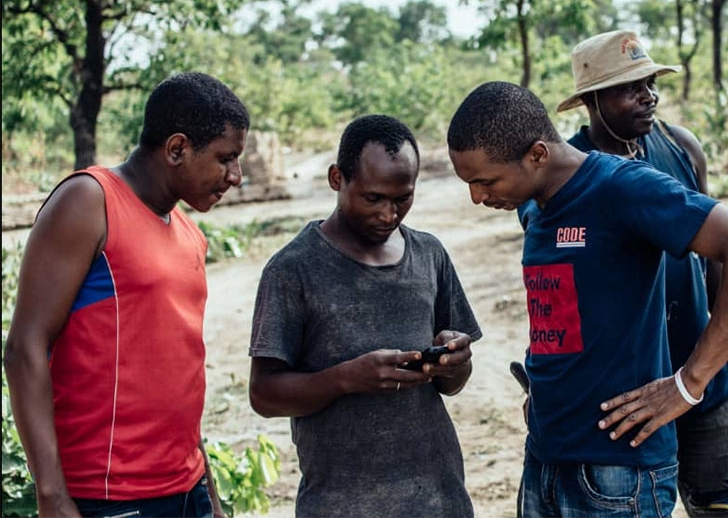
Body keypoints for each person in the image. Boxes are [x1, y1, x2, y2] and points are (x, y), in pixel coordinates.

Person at [447, 81, 728, 517]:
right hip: (547, 456)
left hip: (619, 473)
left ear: (537, 155)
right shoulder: (534, 205)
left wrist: (689, 383)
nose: (477, 198)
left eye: (485, 181)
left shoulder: (621, 187)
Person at [533, 29, 728, 516]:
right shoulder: (564, 175)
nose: (648, 97)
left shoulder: (680, 148)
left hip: (697, 373)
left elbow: (716, 260)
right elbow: (555, 294)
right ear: (591, 101)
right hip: (623, 400)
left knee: (718, 504)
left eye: (650, 83)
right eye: (629, 88)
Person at [3, 72, 250, 518]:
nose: (236, 176)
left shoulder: (189, 234)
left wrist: (209, 493)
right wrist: (51, 495)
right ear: (177, 149)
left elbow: (177, 375)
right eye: (226, 158)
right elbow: (25, 347)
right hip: (111, 497)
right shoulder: (89, 201)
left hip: (187, 489)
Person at [247, 114, 481, 517]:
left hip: (439, 499)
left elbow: (452, 385)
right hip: (341, 504)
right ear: (337, 178)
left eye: (402, 198)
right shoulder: (292, 270)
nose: (389, 214)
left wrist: (455, 362)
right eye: (373, 199)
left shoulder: (429, 255)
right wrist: (346, 378)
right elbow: (263, 395)